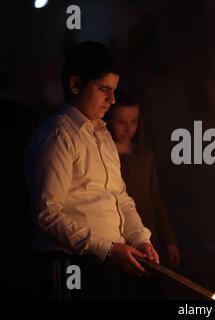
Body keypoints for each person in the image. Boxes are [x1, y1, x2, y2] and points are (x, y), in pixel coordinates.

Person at [25, 41, 159, 299]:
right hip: (70, 265)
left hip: (105, 264)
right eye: (103, 90)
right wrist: (107, 249)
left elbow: (120, 197)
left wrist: (139, 239)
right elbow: (47, 214)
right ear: (75, 85)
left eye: (114, 91)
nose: (112, 100)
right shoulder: (58, 135)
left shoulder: (102, 135)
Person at [105, 90, 180, 269]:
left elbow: (155, 198)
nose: (128, 129)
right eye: (121, 122)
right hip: (119, 239)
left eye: (133, 121)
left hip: (148, 237)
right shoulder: (104, 156)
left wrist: (169, 239)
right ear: (109, 120)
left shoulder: (145, 156)